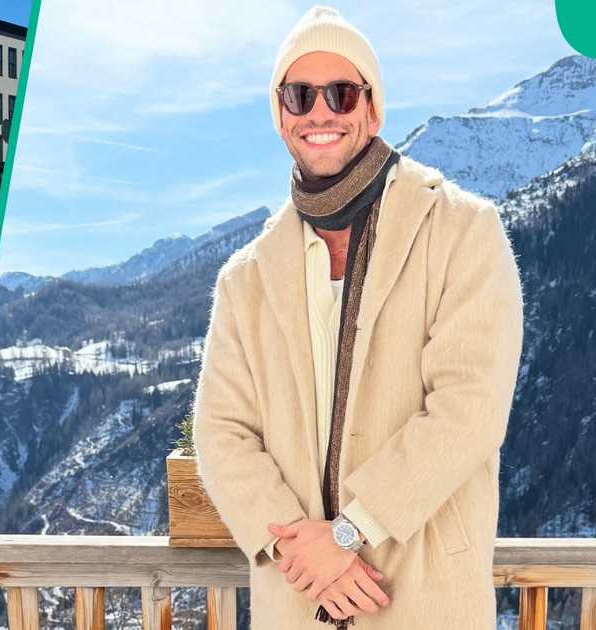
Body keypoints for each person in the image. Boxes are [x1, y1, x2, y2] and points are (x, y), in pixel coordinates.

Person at [192, 6, 524, 628]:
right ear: (281, 116)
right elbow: (222, 433)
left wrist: (349, 532)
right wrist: (304, 555)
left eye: (342, 93)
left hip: (423, 598)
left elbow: (470, 408)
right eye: (299, 95)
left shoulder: (462, 230)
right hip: (299, 600)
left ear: (372, 110)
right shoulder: (245, 278)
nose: (320, 112)